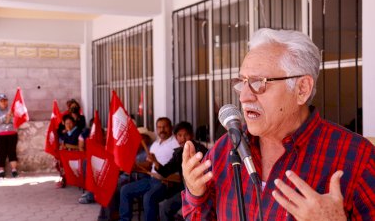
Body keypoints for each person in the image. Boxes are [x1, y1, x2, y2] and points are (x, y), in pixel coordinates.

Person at [181, 28, 375, 220]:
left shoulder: (358, 158)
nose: (244, 97)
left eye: (259, 82)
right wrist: (196, 194)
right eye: (242, 82)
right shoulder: (224, 150)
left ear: (302, 89)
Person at [119, 117, 180, 221]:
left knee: (148, 197)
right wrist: (134, 165)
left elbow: (177, 168)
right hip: (151, 179)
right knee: (125, 190)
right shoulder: (155, 144)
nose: (162, 130)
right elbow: (148, 164)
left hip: (166, 182)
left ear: (171, 127)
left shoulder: (176, 143)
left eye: (165, 127)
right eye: (159, 127)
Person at [152, 121, 208, 221]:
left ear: (191, 135)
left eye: (186, 135)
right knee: (164, 207)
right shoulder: (178, 153)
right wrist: (155, 161)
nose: (183, 138)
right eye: (179, 135)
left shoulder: (201, 150)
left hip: (201, 189)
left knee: (168, 208)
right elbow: (166, 171)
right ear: (176, 137)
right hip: (185, 190)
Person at [97, 127, 156, 221]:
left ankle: (112, 215)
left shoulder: (150, 149)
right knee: (107, 185)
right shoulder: (134, 149)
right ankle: (109, 215)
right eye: (139, 138)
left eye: (143, 137)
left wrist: (135, 165)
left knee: (115, 187)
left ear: (147, 138)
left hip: (141, 177)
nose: (140, 140)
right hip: (127, 176)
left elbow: (149, 165)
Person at [0, 94, 19, 178]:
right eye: (1, 101)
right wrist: (5, 117)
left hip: (11, 133)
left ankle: (14, 170)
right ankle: (1, 171)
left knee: (12, 151)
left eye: (5, 100)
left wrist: (10, 118)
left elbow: (15, 120)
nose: (4, 102)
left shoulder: (11, 110)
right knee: (1, 152)